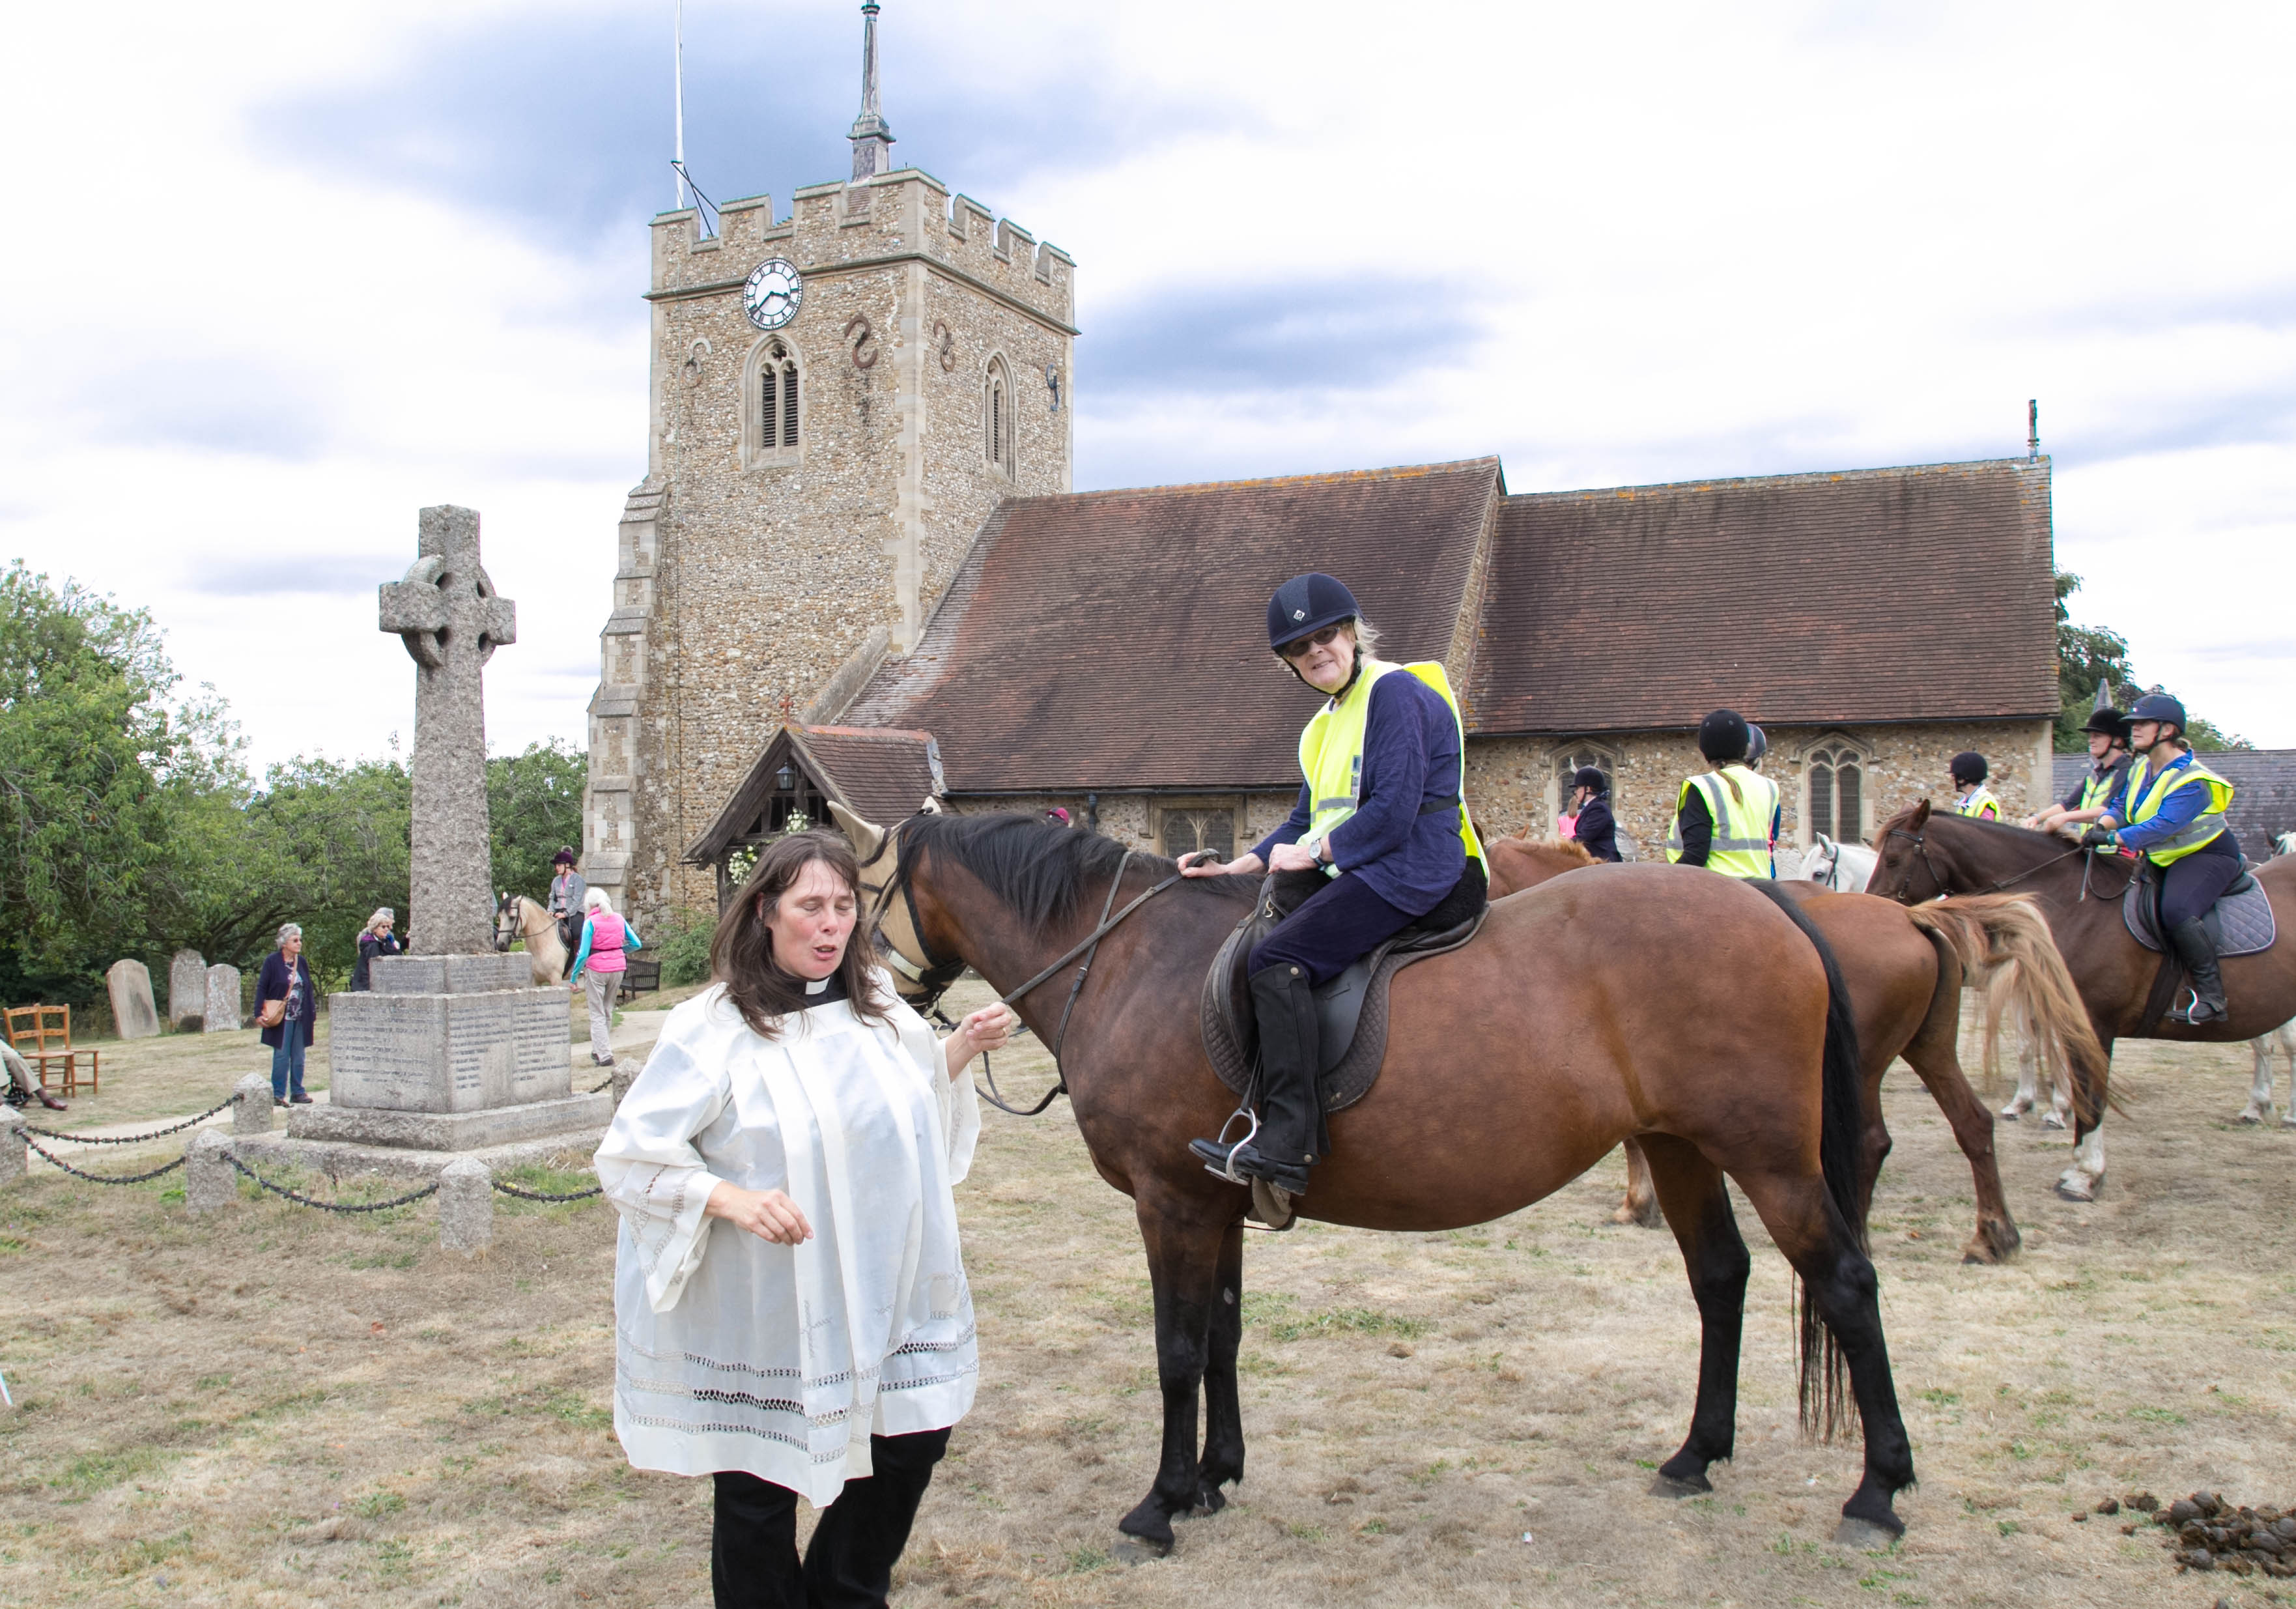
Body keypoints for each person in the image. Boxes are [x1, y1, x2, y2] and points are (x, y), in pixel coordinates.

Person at [593, 831, 1015, 1609]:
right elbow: (631, 1155)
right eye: (810, 906)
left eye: (845, 907)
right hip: (767, 1304)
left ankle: (845, 1592)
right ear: (765, 912)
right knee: (758, 1487)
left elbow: (905, 1106)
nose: (830, 925)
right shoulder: (710, 1028)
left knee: (911, 1438)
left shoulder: (880, 1008)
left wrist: (956, 1050)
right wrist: (731, 1198)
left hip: (881, 1288)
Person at [1179, 573, 1486, 1201]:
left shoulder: (1394, 693)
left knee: (1276, 959)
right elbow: (1304, 820)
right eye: (1299, 647)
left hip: (1414, 865)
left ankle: (1290, 1138)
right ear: (1288, 664)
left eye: (1325, 636)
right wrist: (1240, 867)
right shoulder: (1322, 724)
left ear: (1351, 633)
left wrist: (1315, 852)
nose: (1316, 651)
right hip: (1357, 863)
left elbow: (1394, 808)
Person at [2084, 692, 2241, 1024]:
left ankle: (2213, 995)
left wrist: (2111, 838)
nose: (2134, 730)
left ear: (2167, 730)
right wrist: (2100, 827)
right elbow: (2122, 808)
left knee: (2177, 910)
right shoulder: (2142, 768)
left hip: (2207, 856)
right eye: (2133, 724)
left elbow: (2161, 826)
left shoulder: (2193, 780)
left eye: (2142, 724)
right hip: (2165, 858)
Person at [1666, 709, 1781, 877]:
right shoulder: (1769, 787)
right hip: (1762, 888)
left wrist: (1666, 877)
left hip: (1718, 889)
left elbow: (1696, 856)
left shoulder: (1702, 787)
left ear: (1704, 750)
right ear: (1744, 747)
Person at [2026, 707, 2133, 838]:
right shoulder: (2095, 774)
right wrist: (2037, 819)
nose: (2091, 740)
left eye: (2097, 736)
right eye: (2090, 736)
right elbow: (2068, 804)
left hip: (2116, 852)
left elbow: (2108, 811)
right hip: (2093, 848)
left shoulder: (2126, 771)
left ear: (2117, 740)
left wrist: (2065, 818)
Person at [570, 888, 642, 1068]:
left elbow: (583, 953)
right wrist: (618, 952)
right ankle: (599, 1050)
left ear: (589, 905)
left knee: (597, 1013)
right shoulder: (619, 919)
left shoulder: (590, 923)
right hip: (618, 967)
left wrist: (573, 977)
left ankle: (605, 1055)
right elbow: (636, 943)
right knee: (608, 1009)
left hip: (597, 969)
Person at [257, 922, 317, 1107]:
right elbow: (262, 987)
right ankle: (278, 1093)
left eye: (300, 940)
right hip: (282, 1017)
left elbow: (308, 988)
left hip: (300, 1016)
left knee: (299, 1056)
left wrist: (312, 1012)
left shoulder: (302, 962)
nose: (299, 943)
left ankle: (298, 1092)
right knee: (282, 1056)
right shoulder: (272, 962)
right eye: (295, 940)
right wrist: (258, 1012)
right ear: (285, 943)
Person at [1567, 766, 1622, 862]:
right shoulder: (1591, 807)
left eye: (1578, 788)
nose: (1575, 792)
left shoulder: (1599, 809)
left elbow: (1584, 837)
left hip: (1603, 861)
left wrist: (1559, 846)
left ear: (1588, 789)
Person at [548, 849, 588, 976]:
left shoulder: (578, 880)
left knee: (576, 933)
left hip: (575, 913)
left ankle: (579, 962)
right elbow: (552, 898)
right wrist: (550, 910)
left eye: (559, 865)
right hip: (558, 911)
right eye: (556, 865)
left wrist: (565, 914)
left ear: (567, 865)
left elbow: (576, 901)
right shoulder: (555, 881)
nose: (556, 868)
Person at [350, 908, 403, 991]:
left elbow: (398, 956)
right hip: (367, 986)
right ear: (375, 928)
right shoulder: (371, 945)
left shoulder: (386, 941)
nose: (387, 929)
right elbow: (375, 968)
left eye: (388, 927)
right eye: (383, 927)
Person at [1949, 752, 2002, 820]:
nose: (1952, 779)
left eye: (1954, 776)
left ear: (1962, 779)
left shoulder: (1986, 804)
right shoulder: (1965, 802)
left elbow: (1985, 830)